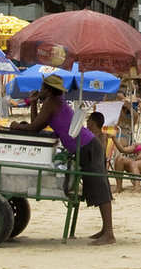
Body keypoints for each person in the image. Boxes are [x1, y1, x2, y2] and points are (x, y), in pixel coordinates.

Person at [18, 83, 114, 244]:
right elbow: (37, 123)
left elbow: (33, 127)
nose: (39, 91)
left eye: (42, 88)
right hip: (84, 145)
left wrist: (15, 126)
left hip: (86, 145)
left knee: (99, 186)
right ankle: (105, 230)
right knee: (97, 185)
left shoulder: (52, 102)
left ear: (48, 90)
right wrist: (33, 102)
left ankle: (109, 233)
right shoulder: (55, 101)